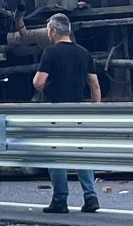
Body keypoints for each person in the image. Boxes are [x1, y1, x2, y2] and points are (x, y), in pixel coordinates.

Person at [32, 13, 101, 214]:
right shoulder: (83, 53)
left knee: (56, 154)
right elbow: (94, 85)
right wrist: (94, 110)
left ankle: (60, 199)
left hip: (54, 110)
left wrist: (46, 86)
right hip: (77, 109)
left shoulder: (50, 53)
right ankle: (90, 196)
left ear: (53, 30)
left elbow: (38, 82)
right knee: (80, 152)